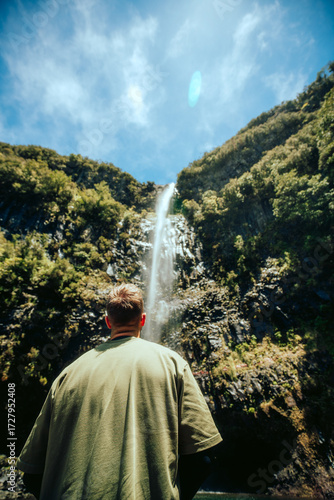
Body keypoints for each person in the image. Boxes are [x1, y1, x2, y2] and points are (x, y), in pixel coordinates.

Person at [17, 283, 222, 499]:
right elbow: (203, 461)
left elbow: (31, 473)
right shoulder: (173, 365)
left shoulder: (67, 376)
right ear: (142, 319)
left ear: (108, 321)